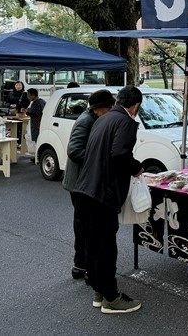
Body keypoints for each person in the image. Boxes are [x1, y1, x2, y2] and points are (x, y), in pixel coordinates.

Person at [73, 86, 143, 314]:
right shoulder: (126, 122)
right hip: (102, 194)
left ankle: (98, 291)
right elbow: (119, 154)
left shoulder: (101, 120)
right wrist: (136, 167)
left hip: (84, 190)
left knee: (93, 245)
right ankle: (111, 297)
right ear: (135, 106)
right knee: (105, 246)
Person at [62, 89, 115, 282]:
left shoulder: (94, 119)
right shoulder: (85, 122)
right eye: (109, 108)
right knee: (83, 226)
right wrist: (98, 158)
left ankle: (83, 264)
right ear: (99, 108)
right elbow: (74, 150)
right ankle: (81, 265)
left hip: (85, 182)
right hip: (79, 183)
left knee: (85, 226)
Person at [26, 88, 45, 163]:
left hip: (37, 124)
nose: (28, 97)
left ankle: (37, 157)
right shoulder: (42, 101)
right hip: (40, 124)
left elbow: (34, 113)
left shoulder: (36, 103)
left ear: (33, 95)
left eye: (29, 95)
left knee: (37, 141)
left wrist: (27, 111)